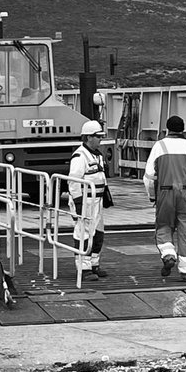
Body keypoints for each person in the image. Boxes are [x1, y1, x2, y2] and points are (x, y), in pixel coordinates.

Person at [144, 115, 186, 280]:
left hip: (165, 192)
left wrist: (153, 196)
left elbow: (150, 177)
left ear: (167, 129)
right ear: (183, 130)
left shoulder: (160, 146)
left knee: (164, 225)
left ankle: (169, 254)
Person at [68, 120, 108, 281]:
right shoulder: (80, 156)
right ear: (88, 137)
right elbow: (73, 180)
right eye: (98, 137)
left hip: (96, 201)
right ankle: (83, 268)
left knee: (98, 233)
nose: (100, 140)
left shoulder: (96, 155)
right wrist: (78, 202)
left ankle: (94, 264)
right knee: (83, 233)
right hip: (85, 200)